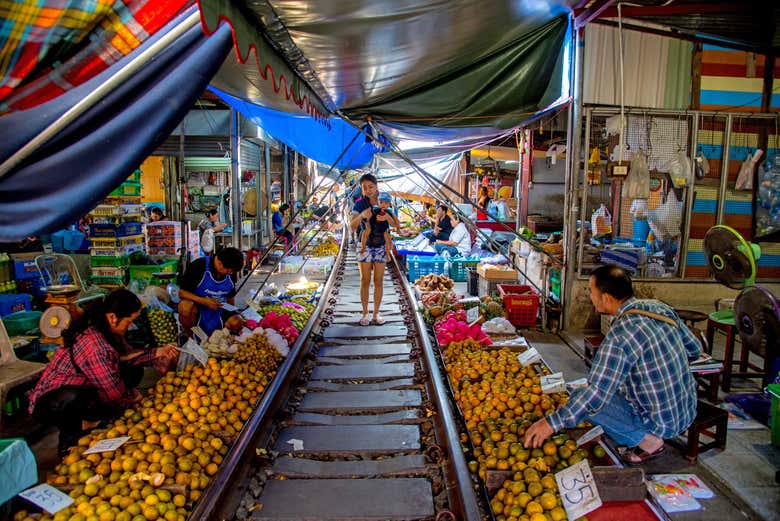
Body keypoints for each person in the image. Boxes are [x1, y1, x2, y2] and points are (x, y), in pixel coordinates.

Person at [523, 265, 702, 464]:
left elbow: (596, 394)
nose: (590, 296)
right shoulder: (659, 308)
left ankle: (649, 442)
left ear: (606, 298)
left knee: (585, 398)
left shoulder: (620, 336)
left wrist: (550, 424)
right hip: (687, 408)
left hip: (660, 423)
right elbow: (694, 350)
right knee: (597, 388)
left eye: (591, 292)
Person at [28, 289, 178, 455]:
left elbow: (126, 357)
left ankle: (93, 420)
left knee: (133, 371)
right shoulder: (94, 345)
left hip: (85, 386)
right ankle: (69, 444)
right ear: (113, 317)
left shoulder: (107, 329)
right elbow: (114, 392)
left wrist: (158, 352)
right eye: (129, 322)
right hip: (51, 401)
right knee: (75, 398)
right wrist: (137, 402)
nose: (130, 327)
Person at [350, 175, 399, 326]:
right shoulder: (359, 204)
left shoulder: (385, 200)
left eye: (371, 187)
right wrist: (362, 216)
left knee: (379, 280)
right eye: (365, 188)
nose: (368, 190)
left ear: (376, 186)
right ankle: (365, 313)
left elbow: (396, 224)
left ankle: (376, 313)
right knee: (365, 280)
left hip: (380, 245)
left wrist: (388, 220)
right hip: (365, 244)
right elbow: (351, 225)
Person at [178, 247, 245, 336]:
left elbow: (230, 298)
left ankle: (220, 336)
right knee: (185, 307)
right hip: (198, 308)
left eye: (232, 272)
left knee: (237, 322)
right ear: (220, 263)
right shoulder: (198, 266)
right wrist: (204, 301)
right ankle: (191, 337)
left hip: (219, 309)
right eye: (229, 270)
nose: (230, 273)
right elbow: (182, 293)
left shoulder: (229, 271)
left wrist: (233, 312)